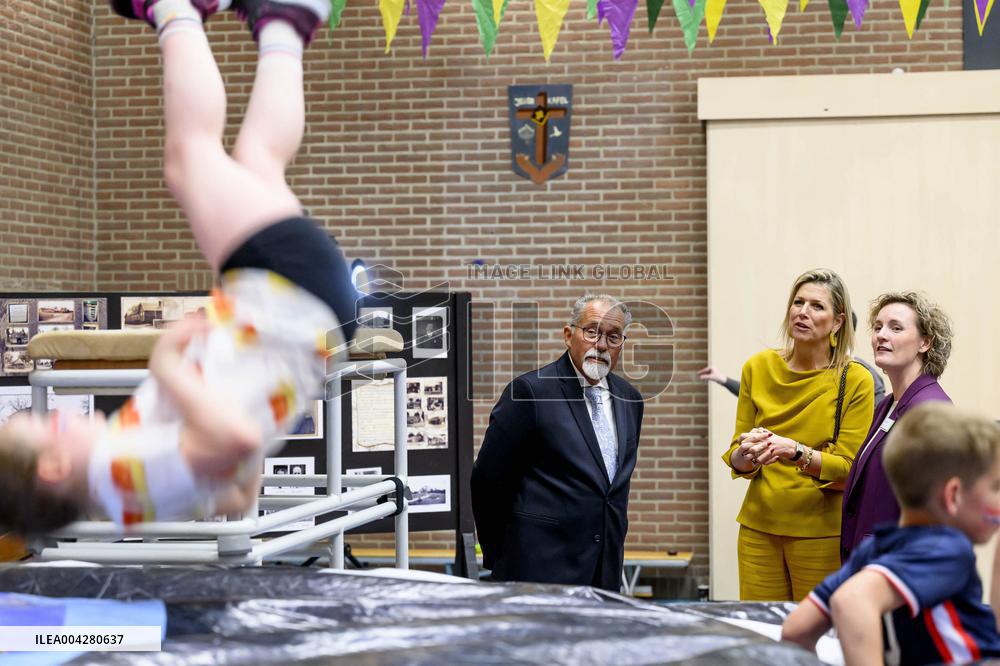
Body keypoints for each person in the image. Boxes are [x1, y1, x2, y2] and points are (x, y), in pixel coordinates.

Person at [0, 0, 357, 534]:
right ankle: (175, 10)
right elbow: (234, 438)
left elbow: (238, 494)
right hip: (288, 298)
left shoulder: (129, 500)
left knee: (259, 158)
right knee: (187, 158)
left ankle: (286, 22)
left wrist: (247, 389)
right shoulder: (121, 473)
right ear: (55, 466)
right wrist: (168, 365)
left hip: (300, 310)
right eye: (49, 426)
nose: (60, 418)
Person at [782, 403, 1000, 665]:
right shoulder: (948, 550)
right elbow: (852, 601)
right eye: (996, 487)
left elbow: (796, 630)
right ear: (952, 495)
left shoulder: (873, 551)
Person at [471, 294, 644, 590]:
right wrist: (502, 554)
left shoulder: (630, 399)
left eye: (613, 337)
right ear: (568, 335)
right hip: (538, 570)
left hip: (604, 570)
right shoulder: (530, 392)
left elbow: (612, 490)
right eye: (591, 331)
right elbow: (487, 480)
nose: (601, 345)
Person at [722, 268, 874, 601]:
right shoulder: (757, 367)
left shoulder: (855, 379)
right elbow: (737, 458)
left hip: (820, 532)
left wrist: (795, 451)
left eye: (817, 306)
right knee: (763, 636)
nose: (802, 312)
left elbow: (849, 467)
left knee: (816, 640)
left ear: (837, 322)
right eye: (798, 302)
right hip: (758, 528)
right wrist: (745, 454)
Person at [840, 292, 953, 561]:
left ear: (925, 342)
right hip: (872, 558)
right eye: (878, 327)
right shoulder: (887, 405)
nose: (881, 335)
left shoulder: (930, 411)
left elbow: (935, 513)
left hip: (898, 566)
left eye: (896, 327)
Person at [699, 312, 885, 407]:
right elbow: (762, 394)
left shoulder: (864, 375)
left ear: (838, 326)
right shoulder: (798, 366)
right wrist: (723, 380)